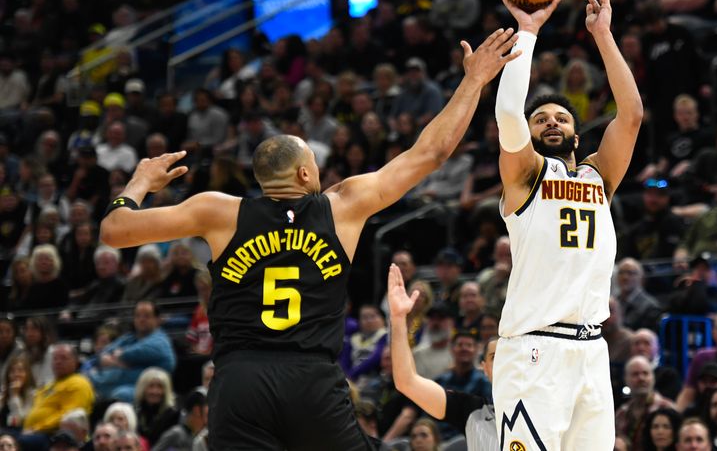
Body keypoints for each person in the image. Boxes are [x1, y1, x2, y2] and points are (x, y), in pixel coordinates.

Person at [99, 28, 522, 450]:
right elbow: (430, 153)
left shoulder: (219, 211)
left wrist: (137, 183)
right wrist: (473, 80)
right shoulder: (342, 207)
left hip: (239, 381)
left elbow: (115, 231)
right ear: (304, 173)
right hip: (310, 379)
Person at [493, 0, 643, 450]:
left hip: (592, 351)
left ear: (577, 136)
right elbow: (508, 115)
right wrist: (528, 31)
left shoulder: (600, 176)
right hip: (535, 350)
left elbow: (632, 114)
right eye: (542, 120)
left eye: (561, 118)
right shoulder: (524, 177)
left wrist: (603, 36)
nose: (551, 122)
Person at [387, 263, 499, 450]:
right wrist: (398, 319)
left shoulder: (545, 400)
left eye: (508, 357)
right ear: (484, 368)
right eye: (495, 357)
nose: (504, 363)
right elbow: (406, 382)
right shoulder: (471, 410)